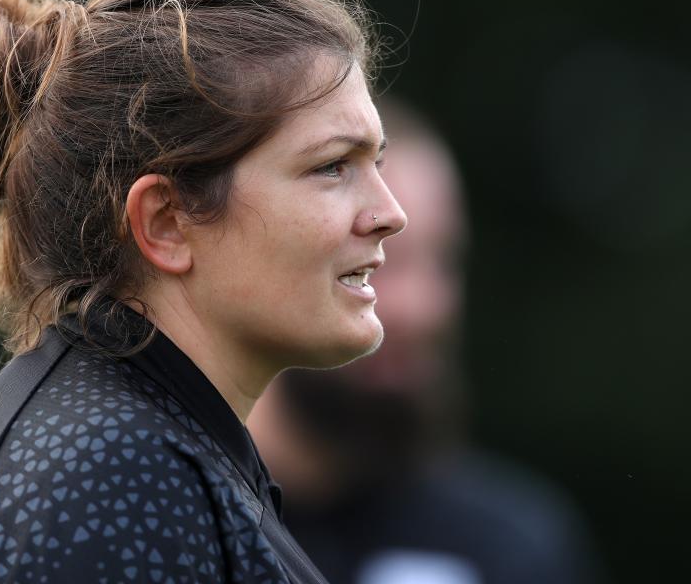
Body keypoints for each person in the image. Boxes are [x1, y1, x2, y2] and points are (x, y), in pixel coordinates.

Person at [0, 0, 407, 583]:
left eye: (376, 162)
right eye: (332, 166)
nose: (391, 214)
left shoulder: (145, 447)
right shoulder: (113, 476)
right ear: (165, 222)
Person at [248, 96, 601, 584]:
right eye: (379, 260)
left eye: (444, 259)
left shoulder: (505, 545)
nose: (426, 307)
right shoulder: (167, 518)